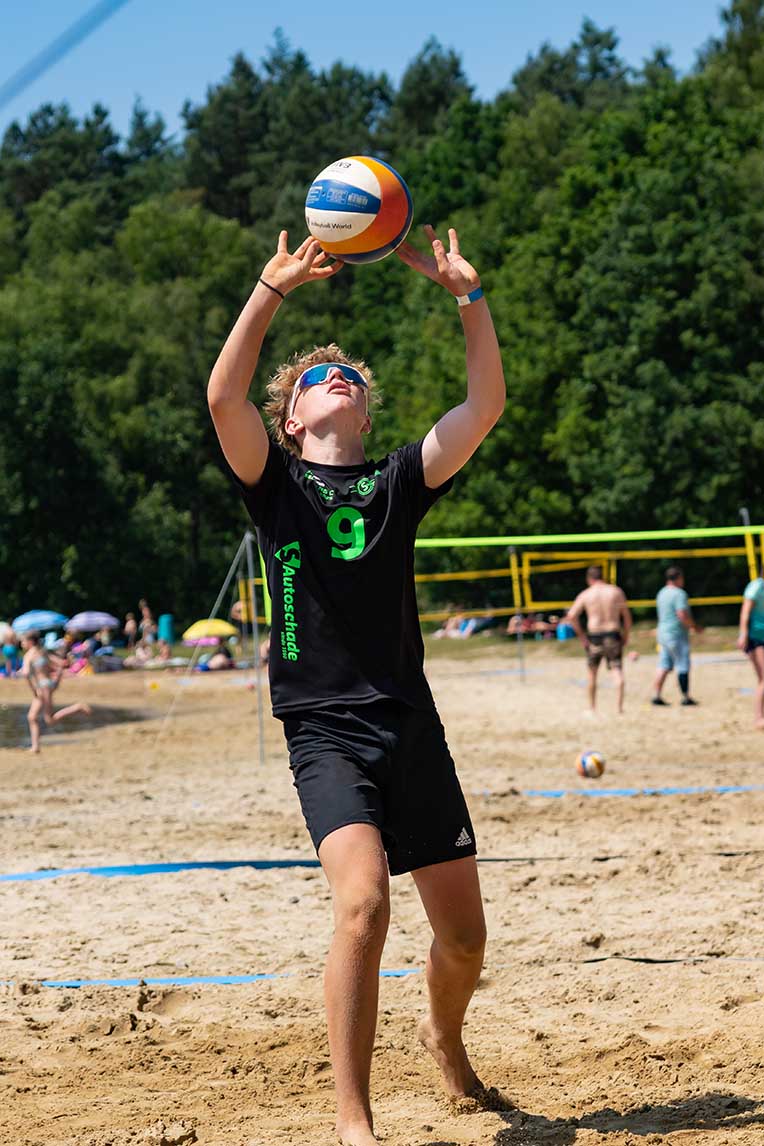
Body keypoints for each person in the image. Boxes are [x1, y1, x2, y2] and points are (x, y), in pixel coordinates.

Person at [208, 225, 506, 1145]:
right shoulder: (274, 481)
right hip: (323, 729)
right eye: (313, 380)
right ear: (292, 418)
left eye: (350, 381)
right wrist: (272, 287)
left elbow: (483, 405)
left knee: (464, 942)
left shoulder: (397, 482)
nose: (335, 381)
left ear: (365, 418)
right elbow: (222, 395)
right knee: (364, 903)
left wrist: (470, 298)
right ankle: (354, 1122)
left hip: (411, 724)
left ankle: (445, 1041)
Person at [566, 565, 632, 713]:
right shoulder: (615, 591)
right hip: (612, 633)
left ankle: (592, 708)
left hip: (595, 635)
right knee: (616, 669)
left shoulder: (586, 594)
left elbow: (571, 616)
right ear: (603, 576)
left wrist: (582, 638)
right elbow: (627, 617)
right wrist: (626, 635)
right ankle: (619, 708)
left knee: (592, 673)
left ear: (589, 579)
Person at [20, 632, 91, 752]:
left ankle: (77, 708)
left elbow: (26, 673)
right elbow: (61, 664)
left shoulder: (29, 655)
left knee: (49, 719)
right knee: (32, 717)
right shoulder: (42, 651)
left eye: (23, 641)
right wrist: (56, 681)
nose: (21, 644)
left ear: (30, 642)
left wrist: (33, 690)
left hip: (42, 688)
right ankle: (35, 747)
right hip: (47, 685)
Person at [652, 566, 703, 706]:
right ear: (678, 578)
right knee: (683, 665)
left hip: (662, 633)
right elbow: (682, 614)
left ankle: (656, 695)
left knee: (663, 665)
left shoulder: (661, 593)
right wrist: (694, 626)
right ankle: (686, 697)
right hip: (676, 634)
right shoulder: (679, 594)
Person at [737, 566, 764, 728]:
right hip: (757, 638)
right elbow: (745, 612)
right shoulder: (757, 586)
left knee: (762, 679)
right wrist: (743, 634)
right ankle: (758, 718)